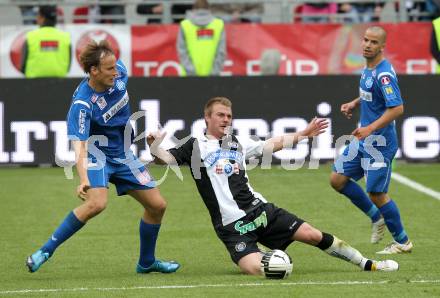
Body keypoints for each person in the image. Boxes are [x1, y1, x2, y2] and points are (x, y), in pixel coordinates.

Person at [147, 97, 399, 276]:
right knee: (259, 269)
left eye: (229, 116)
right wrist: (154, 146)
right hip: (232, 228)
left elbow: (273, 143)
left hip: (260, 211)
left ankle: (367, 263)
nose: (226, 120)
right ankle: (279, 260)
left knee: (312, 234)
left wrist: (303, 134)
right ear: (207, 117)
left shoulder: (237, 142)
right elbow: (164, 159)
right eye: (220, 115)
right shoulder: (194, 146)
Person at [26, 40, 180, 274]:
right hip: (98, 155)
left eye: (115, 66)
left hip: (123, 154)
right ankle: (45, 251)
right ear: (94, 71)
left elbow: (111, 63)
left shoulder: (119, 74)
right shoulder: (82, 104)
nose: (116, 72)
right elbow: (79, 147)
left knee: (157, 206)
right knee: (97, 203)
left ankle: (146, 263)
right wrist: (84, 179)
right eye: (109, 68)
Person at [329, 26, 413, 254]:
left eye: (373, 42)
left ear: (382, 46)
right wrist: (355, 103)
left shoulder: (384, 74)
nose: (367, 44)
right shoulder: (369, 68)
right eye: (365, 40)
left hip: (380, 143)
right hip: (364, 139)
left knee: (376, 193)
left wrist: (370, 128)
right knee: (337, 179)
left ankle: (402, 242)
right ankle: (377, 218)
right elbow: (371, 92)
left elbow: (397, 108)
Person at [176, 0, 226, 76]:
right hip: (213, 77)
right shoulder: (218, 24)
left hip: (188, 77)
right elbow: (221, 52)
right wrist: (214, 72)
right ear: (209, 9)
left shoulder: (185, 25)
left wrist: (191, 71)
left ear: (193, 9)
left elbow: (182, 51)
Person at [21, 5, 71, 78]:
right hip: (60, 83)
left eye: (37, 15)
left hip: (32, 84)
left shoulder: (30, 36)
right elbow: (68, 67)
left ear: (42, 18)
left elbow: (23, 66)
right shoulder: (65, 37)